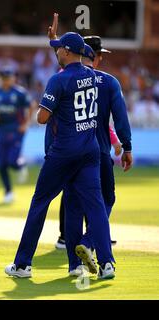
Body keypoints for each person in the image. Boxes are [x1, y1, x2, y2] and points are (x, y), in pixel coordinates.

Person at [4, 31, 116, 280]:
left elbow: (42, 118)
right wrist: (54, 38)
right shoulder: (93, 76)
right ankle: (104, 263)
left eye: (58, 49)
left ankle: (22, 265)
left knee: (40, 203)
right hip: (90, 151)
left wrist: (46, 108)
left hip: (64, 151)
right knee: (93, 206)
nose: (55, 52)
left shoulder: (59, 79)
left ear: (66, 52)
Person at [61, 41, 132, 277]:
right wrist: (127, 146)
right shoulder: (108, 81)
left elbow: (51, 121)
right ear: (96, 56)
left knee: (73, 207)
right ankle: (97, 251)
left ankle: (75, 266)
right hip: (99, 152)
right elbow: (120, 117)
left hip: (69, 154)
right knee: (104, 201)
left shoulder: (64, 78)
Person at [0, 69, 36, 203]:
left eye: (8, 78)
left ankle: (20, 165)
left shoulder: (19, 93)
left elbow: (31, 105)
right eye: (3, 78)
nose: (6, 80)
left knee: (11, 161)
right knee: (1, 165)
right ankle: (8, 191)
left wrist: (26, 123)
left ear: (13, 78)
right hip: (2, 130)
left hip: (17, 130)